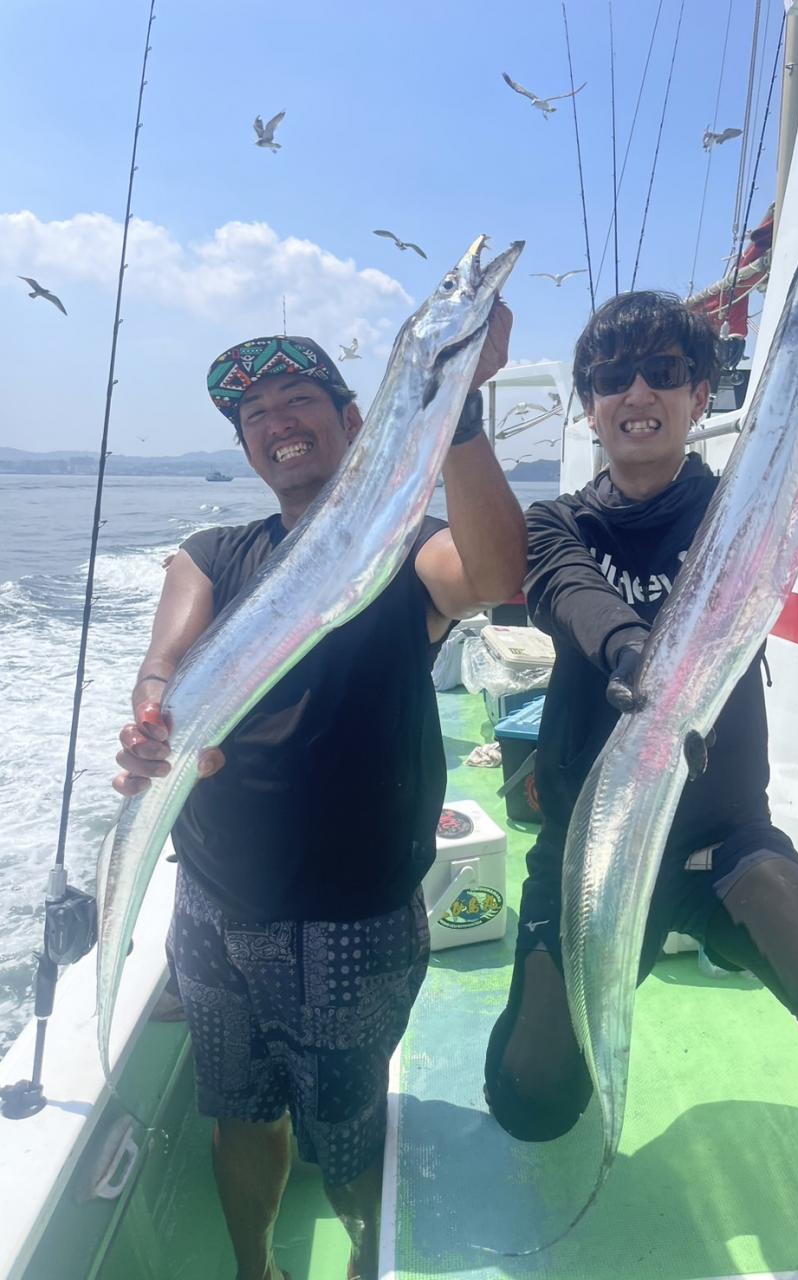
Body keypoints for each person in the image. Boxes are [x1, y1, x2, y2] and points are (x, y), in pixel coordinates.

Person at [484, 250, 798, 1276]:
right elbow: (571, 593)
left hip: (722, 839)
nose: (636, 391)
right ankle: (573, 973)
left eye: (663, 372)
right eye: (613, 376)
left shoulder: (754, 512)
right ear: (590, 406)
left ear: (700, 395)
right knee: (531, 1102)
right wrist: (638, 654)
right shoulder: (558, 523)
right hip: (598, 849)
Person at [113, 311, 526, 1280]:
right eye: (254, 413)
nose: (276, 421)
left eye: (298, 398)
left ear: (353, 420)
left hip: (352, 915)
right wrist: (152, 723)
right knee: (237, 1111)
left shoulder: (408, 549)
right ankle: (256, 1270)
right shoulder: (212, 551)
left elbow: (498, 575)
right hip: (214, 901)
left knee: (348, 1131)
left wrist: (458, 413)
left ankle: (360, 1264)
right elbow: (163, 665)